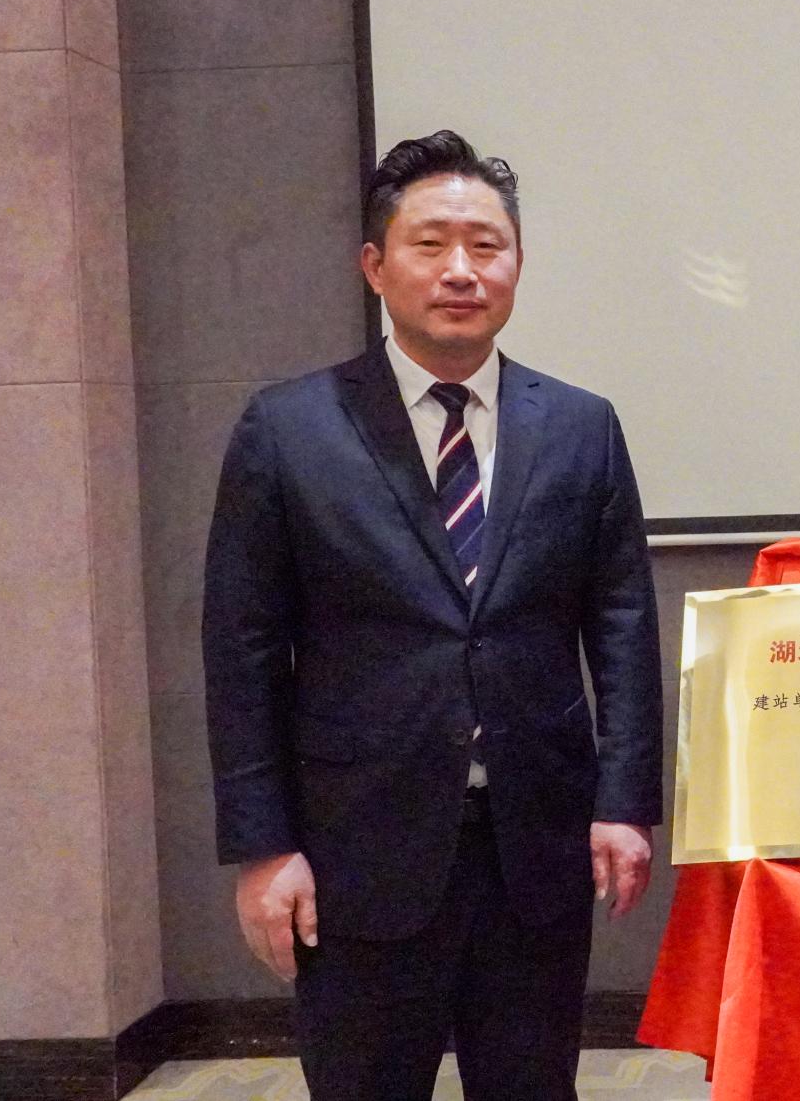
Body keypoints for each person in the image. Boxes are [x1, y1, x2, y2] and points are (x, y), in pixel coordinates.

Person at [203, 129, 663, 1101]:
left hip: (534, 839)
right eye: (431, 243)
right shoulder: (289, 428)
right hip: (355, 845)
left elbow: (623, 625)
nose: (462, 268)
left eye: (487, 245)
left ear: (517, 265)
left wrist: (623, 801)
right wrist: (263, 844)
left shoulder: (581, 426)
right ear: (375, 265)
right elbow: (242, 649)